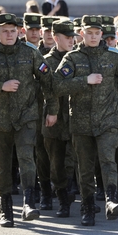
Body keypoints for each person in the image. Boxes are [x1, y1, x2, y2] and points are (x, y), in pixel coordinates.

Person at [0, 13, 56, 227]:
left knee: (27, 158)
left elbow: (48, 81)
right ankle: (6, 207)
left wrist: (52, 110)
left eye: (13, 31)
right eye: (4, 31)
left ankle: (29, 203)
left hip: (26, 117)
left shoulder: (31, 53)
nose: (9, 34)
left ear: (19, 32)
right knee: (2, 164)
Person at [53, 15, 118, 226]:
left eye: (96, 33)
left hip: (107, 121)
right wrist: (84, 80)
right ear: (81, 34)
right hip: (81, 124)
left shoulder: (114, 56)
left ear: (102, 34)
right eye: (89, 33)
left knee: (108, 160)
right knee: (85, 168)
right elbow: (56, 85)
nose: (93, 37)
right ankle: (87, 207)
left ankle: (112, 199)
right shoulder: (73, 58)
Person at [41, 20, 77, 218]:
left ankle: (70, 198)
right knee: (56, 163)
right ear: (56, 38)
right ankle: (62, 199)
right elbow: (47, 90)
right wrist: (52, 111)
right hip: (53, 120)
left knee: (74, 160)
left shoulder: (78, 58)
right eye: (67, 37)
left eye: (73, 37)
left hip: (75, 119)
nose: (72, 41)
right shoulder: (47, 61)